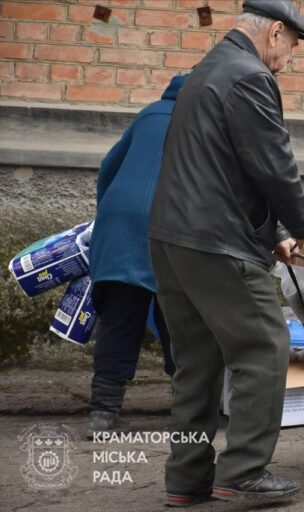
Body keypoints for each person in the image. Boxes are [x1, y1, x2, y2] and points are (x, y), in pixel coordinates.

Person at [147, 1, 304, 508]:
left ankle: (185, 480)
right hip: (217, 243)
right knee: (264, 349)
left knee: (197, 364)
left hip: (172, 237)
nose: (289, 58)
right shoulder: (250, 76)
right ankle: (244, 472)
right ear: (275, 32)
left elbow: (225, 167)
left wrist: (271, 233)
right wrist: (303, 223)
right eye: (292, 46)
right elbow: (270, 162)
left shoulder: (209, 67)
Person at [87, 74, 186, 434]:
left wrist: (106, 220)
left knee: (118, 318)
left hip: (119, 223)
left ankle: (102, 412)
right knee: (179, 318)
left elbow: (108, 168)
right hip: (169, 225)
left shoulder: (149, 113)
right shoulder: (204, 120)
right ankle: (186, 408)